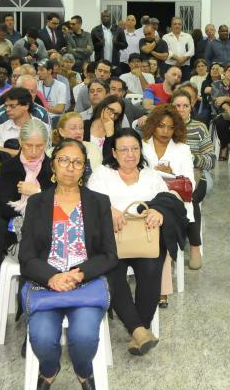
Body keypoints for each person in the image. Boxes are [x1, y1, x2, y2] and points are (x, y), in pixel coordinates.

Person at [18, 138, 116, 390]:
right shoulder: (38, 202)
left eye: (77, 162)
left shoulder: (98, 202)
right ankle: (49, 371)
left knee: (83, 337)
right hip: (46, 284)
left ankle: (84, 373)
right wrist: (51, 277)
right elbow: (26, 256)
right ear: (53, 165)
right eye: (64, 160)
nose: (70, 167)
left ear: (84, 168)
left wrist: (80, 273)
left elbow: (109, 255)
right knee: (42, 338)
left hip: (85, 283)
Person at [88, 130, 187, 355]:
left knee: (151, 268)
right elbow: (89, 203)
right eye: (124, 150)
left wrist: (158, 211)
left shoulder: (151, 176)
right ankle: (140, 331)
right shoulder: (102, 174)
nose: (130, 154)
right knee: (112, 271)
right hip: (112, 241)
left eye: (134, 149)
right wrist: (107, 209)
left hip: (145, 239)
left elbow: (169, 200)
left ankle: (138, 331)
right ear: (114, 153)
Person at [140, 105, 195, 305]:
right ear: (153, 125)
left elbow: (191, 183)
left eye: (170, 127)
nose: (165, 131)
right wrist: (152, 173)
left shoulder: (182, 149)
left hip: (173, 200)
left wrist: (171, 173)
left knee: (163, 223)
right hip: (145, 198)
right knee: (155, 219)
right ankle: (151, 278)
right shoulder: (141, 145)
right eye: (161, 126)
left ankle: (161, 286)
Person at [0, 119, 52, 274]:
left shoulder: (53, 167)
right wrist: (42, 200)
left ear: (46, 144)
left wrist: (37, 192)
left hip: (50, 229)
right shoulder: (8, 167)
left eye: (39, 146)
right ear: (20, 141)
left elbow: (61, 202)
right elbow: (6, 207)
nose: (34, 151)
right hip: (16, 232)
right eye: (28, 145)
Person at [171, 89, 214, 270]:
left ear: (191, 107)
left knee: (190, 198)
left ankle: (195, 246)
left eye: (185, 106)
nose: (181, 109)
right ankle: (169, 246)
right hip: (170, 177)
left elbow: (211, 160)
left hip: (196, 175)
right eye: (177, 106)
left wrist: (191, 158)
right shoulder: (164, 126)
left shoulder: (199, 127)